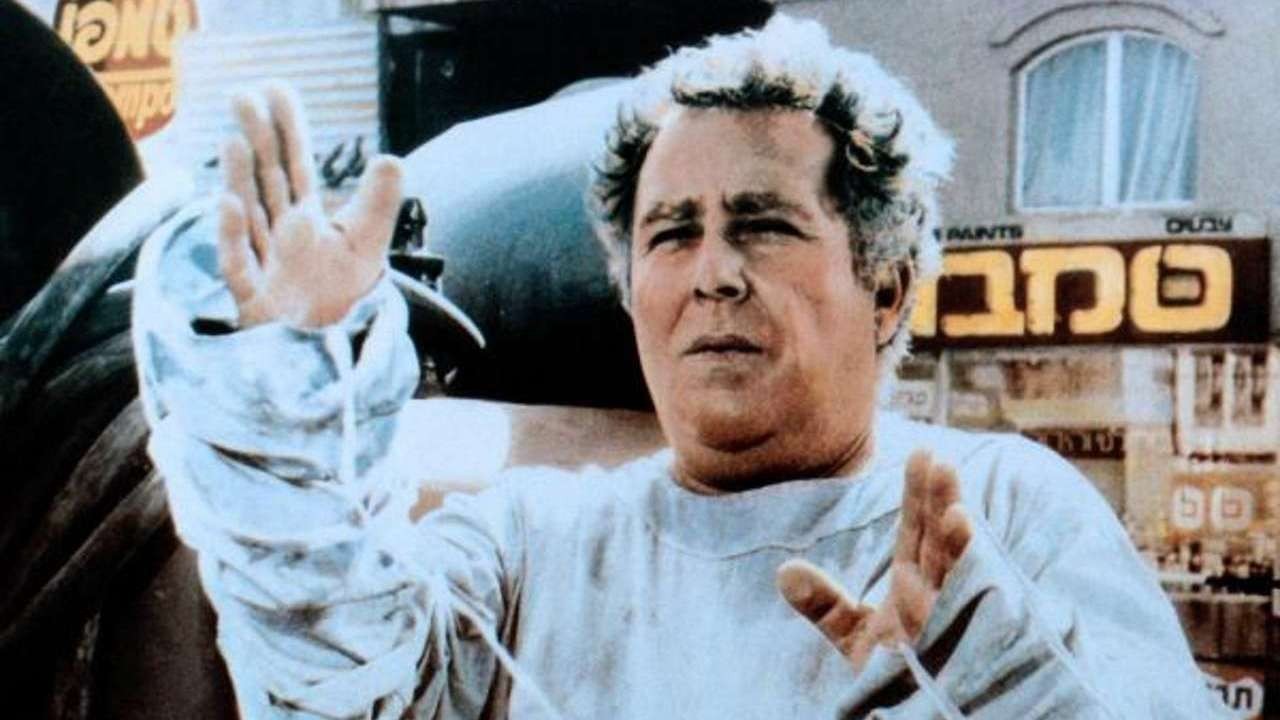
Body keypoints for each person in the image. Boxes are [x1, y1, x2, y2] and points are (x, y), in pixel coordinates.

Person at [132, 15, 1228, 719]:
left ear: (887, 286)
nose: (712, 275)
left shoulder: (997, 508)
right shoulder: (528, 543)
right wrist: (288, 410)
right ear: (630, 293)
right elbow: (341, 682)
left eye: (762, 224)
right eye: (670, 233)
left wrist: (1006, 684)